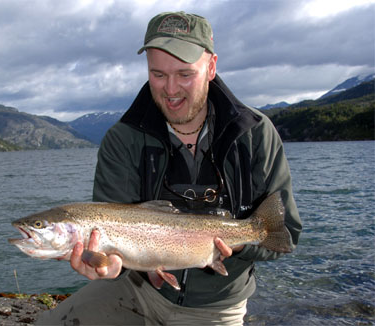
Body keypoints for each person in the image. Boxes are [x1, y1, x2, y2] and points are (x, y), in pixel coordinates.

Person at [37, 11, 302, 325]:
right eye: (158, 74)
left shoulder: (254, 134)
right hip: (135, 289)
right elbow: (112, 253)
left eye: (184, 74)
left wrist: (241, 240)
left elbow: (286, 237)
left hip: (216, 306)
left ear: (212, 67)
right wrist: (103, 266)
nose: (171, 89)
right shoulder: (122, 139)